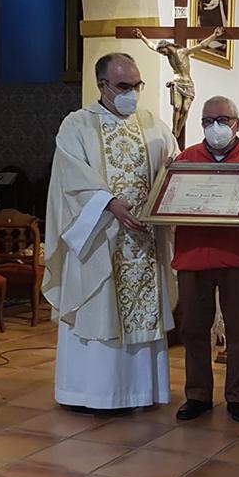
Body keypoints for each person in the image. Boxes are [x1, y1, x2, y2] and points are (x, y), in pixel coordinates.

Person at [43, 52, 178, 412]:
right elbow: (71, 179)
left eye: (137, 85)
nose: (132, 93)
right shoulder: (77, 126)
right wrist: (111, 204)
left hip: (145, 242)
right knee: (99, 310)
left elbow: (172, 169)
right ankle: (91, 394)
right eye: (123, 86)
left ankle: (140, 392)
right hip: (100, 239)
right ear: (101, 85)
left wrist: (170, 179)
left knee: (141, 310)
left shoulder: (153, 125)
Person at [171, 96, 239, 424]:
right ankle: (197, 394)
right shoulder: (186, 159)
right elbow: (169, 202)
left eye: (222, 120)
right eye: (207, 121)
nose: (215, 126)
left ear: (237, 123)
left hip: (238, 255)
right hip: (194, 255)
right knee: (193, 328)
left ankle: (238, 397)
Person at [133, 26, 225, 145]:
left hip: (188, 84)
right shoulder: (168, 55)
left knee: (185, 109)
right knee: (177, 107)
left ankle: (179, 130)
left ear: (167, 46)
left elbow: (201, 45)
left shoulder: (183, 52)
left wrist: (214, 35)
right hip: (176, 83)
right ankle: (174, 130)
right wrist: (142, 37)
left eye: (162, 51)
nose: (162, 54)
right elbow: (152, 46)